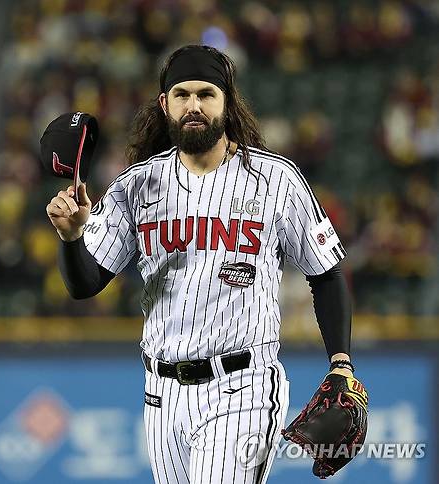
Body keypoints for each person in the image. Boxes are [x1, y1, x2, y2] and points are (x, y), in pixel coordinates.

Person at [46, 44, 355, 484]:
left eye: (206, 94)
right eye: (183, 94)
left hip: (242, 386)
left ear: (227, 103)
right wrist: (71, 237)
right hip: (162, 395)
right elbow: (85, 283)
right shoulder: (136, 185)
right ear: (165, 104)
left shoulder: (275, 180)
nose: (194, 105)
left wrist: (341, 362)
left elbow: (327, 273)